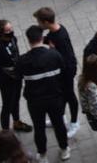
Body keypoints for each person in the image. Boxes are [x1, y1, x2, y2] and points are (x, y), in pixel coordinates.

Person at [17, 25, 70, 162]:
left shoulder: (23, 60)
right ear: (42, 38)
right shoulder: (54, 55)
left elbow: (17, 76)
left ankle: (43, 155)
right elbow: (64, 74)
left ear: (28, 40)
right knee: (59, 124)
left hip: (35, 102)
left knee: (39, 128)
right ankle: (64, 150)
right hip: (55, 98)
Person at [34, 7, 82, 140]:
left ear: (45, 22)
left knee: (69, 96)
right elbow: (48, 39)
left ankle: (74, 123)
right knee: (61, 96)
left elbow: (66, 58)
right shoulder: (54, 31)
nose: (38, 25)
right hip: (61, 71)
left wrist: (53, 52)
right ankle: (60, 119)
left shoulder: (60, 37)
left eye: (39, 22)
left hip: (66, 71)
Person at [0, 19, 32, 133]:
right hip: (5, 79)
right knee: (7, 104)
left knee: (16, 100)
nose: (11, 32)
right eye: (8, 30)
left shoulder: (13, 39)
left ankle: (16, 122)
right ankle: (5, 132)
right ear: (1, 33)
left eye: (11, 29)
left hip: (16, 76)